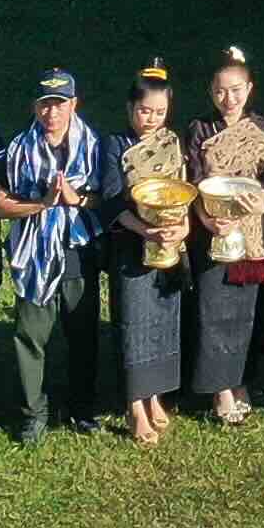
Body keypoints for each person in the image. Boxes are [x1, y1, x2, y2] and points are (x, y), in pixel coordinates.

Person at [0, 72, 104, 444]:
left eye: (59, 103)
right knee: (29, 337)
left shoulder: (94, 146)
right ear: (35, 107)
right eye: (45, 104)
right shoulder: (18, 149)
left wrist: (76, 198)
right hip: (34, 256)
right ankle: (32, 414)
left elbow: (107, 201)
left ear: (74, 104)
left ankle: (81, 409)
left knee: (83, 335)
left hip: (77, 252)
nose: (51, 112)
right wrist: (41, 204)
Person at [184, 50, 264, 429]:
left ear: (249, 88)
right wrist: (208, 220)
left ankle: (240, 380)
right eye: (221, 91)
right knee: (213, 311)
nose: (229, 99)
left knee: (245, 312)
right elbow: (192, 181)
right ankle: (219, 389)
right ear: (211, 92)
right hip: (213, 231)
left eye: (236, 90)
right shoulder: (199, 129)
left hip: (252, 234)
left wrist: (262, 200)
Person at [106, 65, 193, 448]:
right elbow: (111, 202)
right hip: (131, 246)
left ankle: (155, 395)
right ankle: (134, 406)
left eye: (160, 112)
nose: (152, 119)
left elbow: (184, 189)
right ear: (130, 108)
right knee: (135, 325)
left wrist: (183, 226)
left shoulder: (172, 143)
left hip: (171, 243)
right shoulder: (114, 145)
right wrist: (146, 231)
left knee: (163, 321)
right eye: (145, 111)